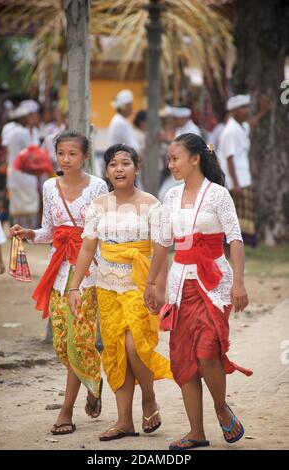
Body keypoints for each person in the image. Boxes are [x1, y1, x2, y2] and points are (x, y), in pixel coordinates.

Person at [144, 133, 253, 450]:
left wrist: (239, 282)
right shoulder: (171, 197)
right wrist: (153, 284)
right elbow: (163, 244)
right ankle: (196, 432)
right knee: (183, 358)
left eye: (175, 158)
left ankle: (221, 407)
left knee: (208, 353)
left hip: (214, 284)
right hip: (181, 287)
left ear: (195, 159)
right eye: (169, 159)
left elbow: (235, 239)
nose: (171, 164)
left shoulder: (219, 195)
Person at [68, 143, 172, 442]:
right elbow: (88, 247)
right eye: (113, 164)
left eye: (125, 163)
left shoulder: (152, 203)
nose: (119, 169)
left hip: (142, 286)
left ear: (136, 168)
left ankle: (149, 397)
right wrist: (75, 286)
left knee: (135, 347)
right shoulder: (98, 205)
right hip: (107, 288)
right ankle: (124, 420)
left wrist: (158, 287)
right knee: (115, 352)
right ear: (107, 171)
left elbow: (161, 249)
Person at [10, 130, 108, 435]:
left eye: (72, 154)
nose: (66, 159)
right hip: (58, 273)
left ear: (85, 156)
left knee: (79, 340)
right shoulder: (49, 186)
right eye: (61, 153)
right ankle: (93, 380)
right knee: (62, 345)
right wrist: (29, 234)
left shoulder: (99, 187)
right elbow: (49, 231)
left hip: (89, 273)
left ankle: (66, 412)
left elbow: (102, 232)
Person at [217, 94, 270, 246]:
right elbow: (229, 158)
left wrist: (262, 112)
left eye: (247, 107)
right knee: (236, 219)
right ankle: (232, 248)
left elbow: (249, 124)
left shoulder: (240, 127)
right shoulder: (230, 131)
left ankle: (239, 247)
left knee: (243, 217)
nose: (246, 111)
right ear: (233, 111)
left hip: (243, 179)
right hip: (237, 181)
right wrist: (235, 183)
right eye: (242, 108)